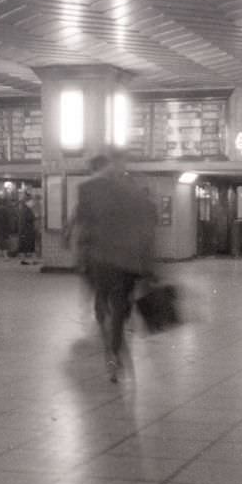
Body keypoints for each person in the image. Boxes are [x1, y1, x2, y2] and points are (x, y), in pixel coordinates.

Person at [74, 154, 156, 382]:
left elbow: (84, 226)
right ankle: (115, 348)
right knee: (119, 308)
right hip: (127, 263)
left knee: (104, 306)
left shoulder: (90, 189)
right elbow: (147, 234)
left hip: (102, 260)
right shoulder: (135, 193)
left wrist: (83, 258)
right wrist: (150, 269)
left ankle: (111, 349)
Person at [18, 195, 37, 264]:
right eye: (32, 202)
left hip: (26, 231)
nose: (33, 203)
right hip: (27, 231)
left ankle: (24, 260)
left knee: (26, 246)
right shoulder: (26, 210)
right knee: (29, 246)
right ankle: (32, 260)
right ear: (27, 202)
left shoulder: (25, 209)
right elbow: (24, 221)